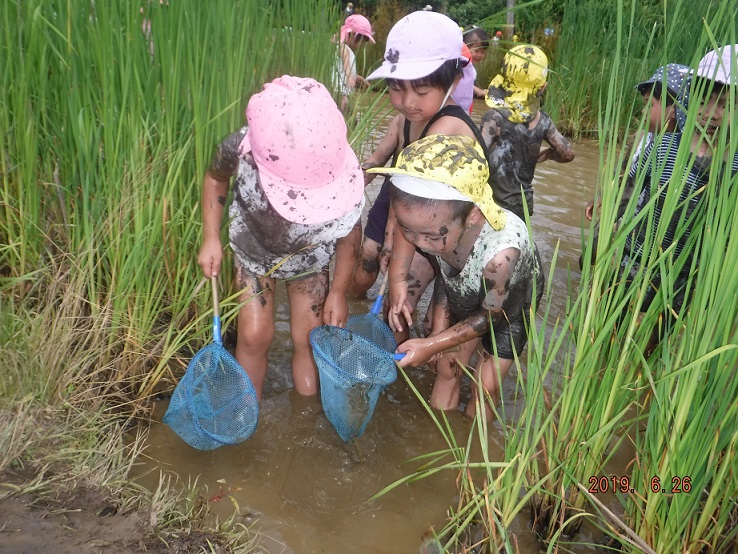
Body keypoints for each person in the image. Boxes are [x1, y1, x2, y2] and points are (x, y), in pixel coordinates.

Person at [197, 76, 364, 401]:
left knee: (308, 337)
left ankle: (305, 415)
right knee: (254, 335)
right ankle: (248, 409)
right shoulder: (240, 148)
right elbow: (215, 179)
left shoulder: (337, 166)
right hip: (253, 252)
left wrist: (339, 292)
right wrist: (210, 238)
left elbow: (349, 235)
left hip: (310, 261)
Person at [367, 134, 542, 420]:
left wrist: (430, 344)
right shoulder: (439, 230)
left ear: (473, 215)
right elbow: (448, 282)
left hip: (507, 304)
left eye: (429, 236)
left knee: (486, 386)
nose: (420, 244)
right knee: (447, 367)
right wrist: (403, 287)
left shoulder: (501, 255)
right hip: (464, 284)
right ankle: (437, 441)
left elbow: (488, 317)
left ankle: (474, 447)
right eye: (409, 230)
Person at [349, 10, 485, 309]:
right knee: (363, 271)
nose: (407, 101)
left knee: (399, 303)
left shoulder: (449, 128)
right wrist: (357, 178)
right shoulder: (406, 117)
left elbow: (416, 205)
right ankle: (353, 310)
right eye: (396, 88)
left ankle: (403, 350)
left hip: (435, 219)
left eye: (421, 90)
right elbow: (379, 157)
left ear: (454, 80)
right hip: (395, 199)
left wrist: (391, 242)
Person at [619, 45, 737, 351]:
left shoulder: (734, 166)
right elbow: (630, 193)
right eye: (704, 101)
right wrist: (604, 238)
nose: (712, 113)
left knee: (652, 349)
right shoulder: (665, 146)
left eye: (724, 104)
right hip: (635, 259)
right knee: (613, 335)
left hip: (684, 276)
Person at [581, 63, 691, 267]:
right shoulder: (641, 137)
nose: (642, 111)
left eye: (650, 105)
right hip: (621, 214)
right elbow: (625, 173)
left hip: (643, 234)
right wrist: (602, 194)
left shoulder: (686, 155)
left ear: (675, 109)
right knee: (589, 259)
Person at [480, 44, 575, 221]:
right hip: (523, 203)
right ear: (542, 87)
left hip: (494, 204)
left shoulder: (493, 117)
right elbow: (567, 153)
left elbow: (478, 157)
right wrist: (547, 155)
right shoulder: (543, 121)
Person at [332, 14, 376, 113]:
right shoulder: (343, 48)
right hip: (339, 93)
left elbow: (341, 70)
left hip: (343, 93)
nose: (362, 45)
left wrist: (358, 78)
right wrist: (349, 76)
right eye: (362, 41)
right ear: (353, 35)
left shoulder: (346, 51)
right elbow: (346, 61)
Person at [462, 26, 490, 98]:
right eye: (476, 51)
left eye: (483, 52)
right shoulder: (460, 64)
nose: (479, 55)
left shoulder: (470, 66)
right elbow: (462, 82)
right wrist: (478, 91)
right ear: (465, 47)